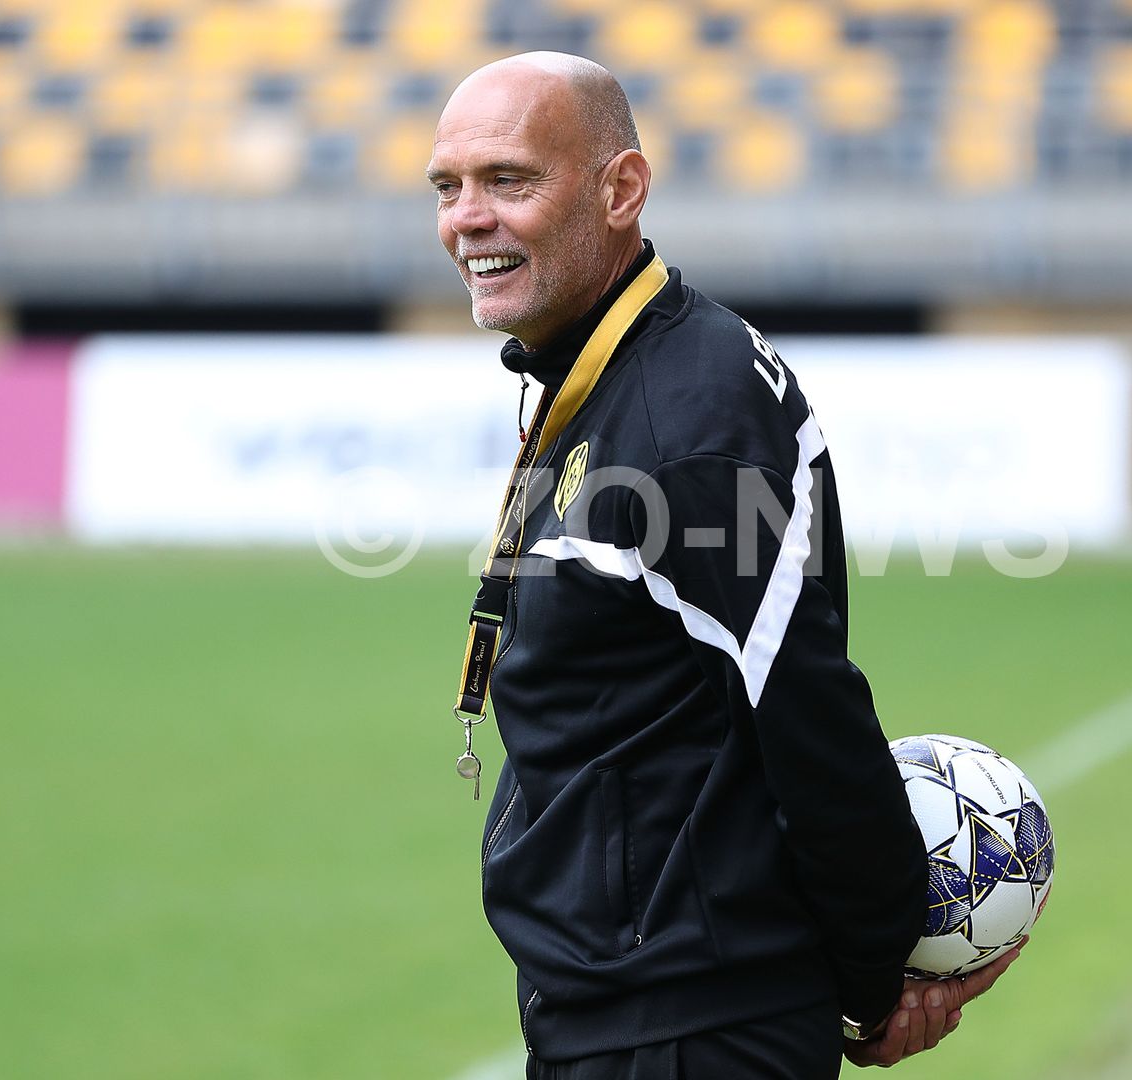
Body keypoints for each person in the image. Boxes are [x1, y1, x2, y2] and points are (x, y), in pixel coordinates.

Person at [428, 52, 1022, 1079]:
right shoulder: (620, 372)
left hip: (685, 1030)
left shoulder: (685, 419)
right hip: (638, 1010)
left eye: (509, 180)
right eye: (448, 187)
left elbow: (802, 705)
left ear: (621, 189)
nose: (467, 219)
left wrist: (875, 972)